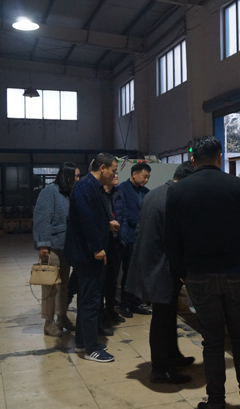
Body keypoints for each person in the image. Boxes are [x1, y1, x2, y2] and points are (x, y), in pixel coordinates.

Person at [165, 136, 240, 409]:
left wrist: (181, 272)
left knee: (212, 341)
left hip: (198, 275)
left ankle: (216, 401)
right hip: (236, 273)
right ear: (220, 156)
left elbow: (171, 238)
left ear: (193, 160)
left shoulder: (178, 191)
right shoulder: (237, 186)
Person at [126, 161, 195, 385]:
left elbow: (139, 229)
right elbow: (175, 240)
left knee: (167, 314)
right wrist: (183, 269)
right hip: (162, 268)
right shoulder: (174, 199)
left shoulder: (153, 193)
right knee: (162, 319)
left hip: (149, 263)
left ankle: (172, 356)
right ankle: (161, 370)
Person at [64, 153, 118, 363]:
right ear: (102, 168)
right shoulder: (85, 186)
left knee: (88, 298)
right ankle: (91, 348)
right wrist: (97, 248)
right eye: (113, 170)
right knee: (91, 300)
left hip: (87, 253)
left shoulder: (92, 186)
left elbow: (92, 217)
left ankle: (82, 341)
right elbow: (86, 219)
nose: (114, 174)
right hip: (87, 255)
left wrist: (107, 224)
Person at [33, 162, 79, 337]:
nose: (78, 179)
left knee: (63, 286)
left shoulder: (69, 193)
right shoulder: (50, 192)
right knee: (50, 286)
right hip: (52, 246)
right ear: (67, 176)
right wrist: (43, 244)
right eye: (75, 176)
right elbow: (42, 218)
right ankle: (48, 322)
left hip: (67, 246)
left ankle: (62, 317)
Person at [116, 163, 151, 317]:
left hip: (142, 238)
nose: (146, 180)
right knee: (129, 272)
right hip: (129, 237)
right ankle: (125, 304)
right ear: (134, 174)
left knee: (140, 272)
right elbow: (124, 213)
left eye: (148, 177)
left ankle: (136, 302)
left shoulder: (146, 192)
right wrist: (142, 223)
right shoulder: (121, 189)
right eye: (144, 176)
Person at [99, 171, 125, 334]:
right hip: (103, 243)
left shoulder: (118, 193)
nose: (116, 176)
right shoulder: (98, 194)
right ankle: (100, 314)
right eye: (113, 173)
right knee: (101, 280)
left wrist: (124, 238)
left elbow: (123, 217)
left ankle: (110, 310)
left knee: (113, 279)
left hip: (116, 242)